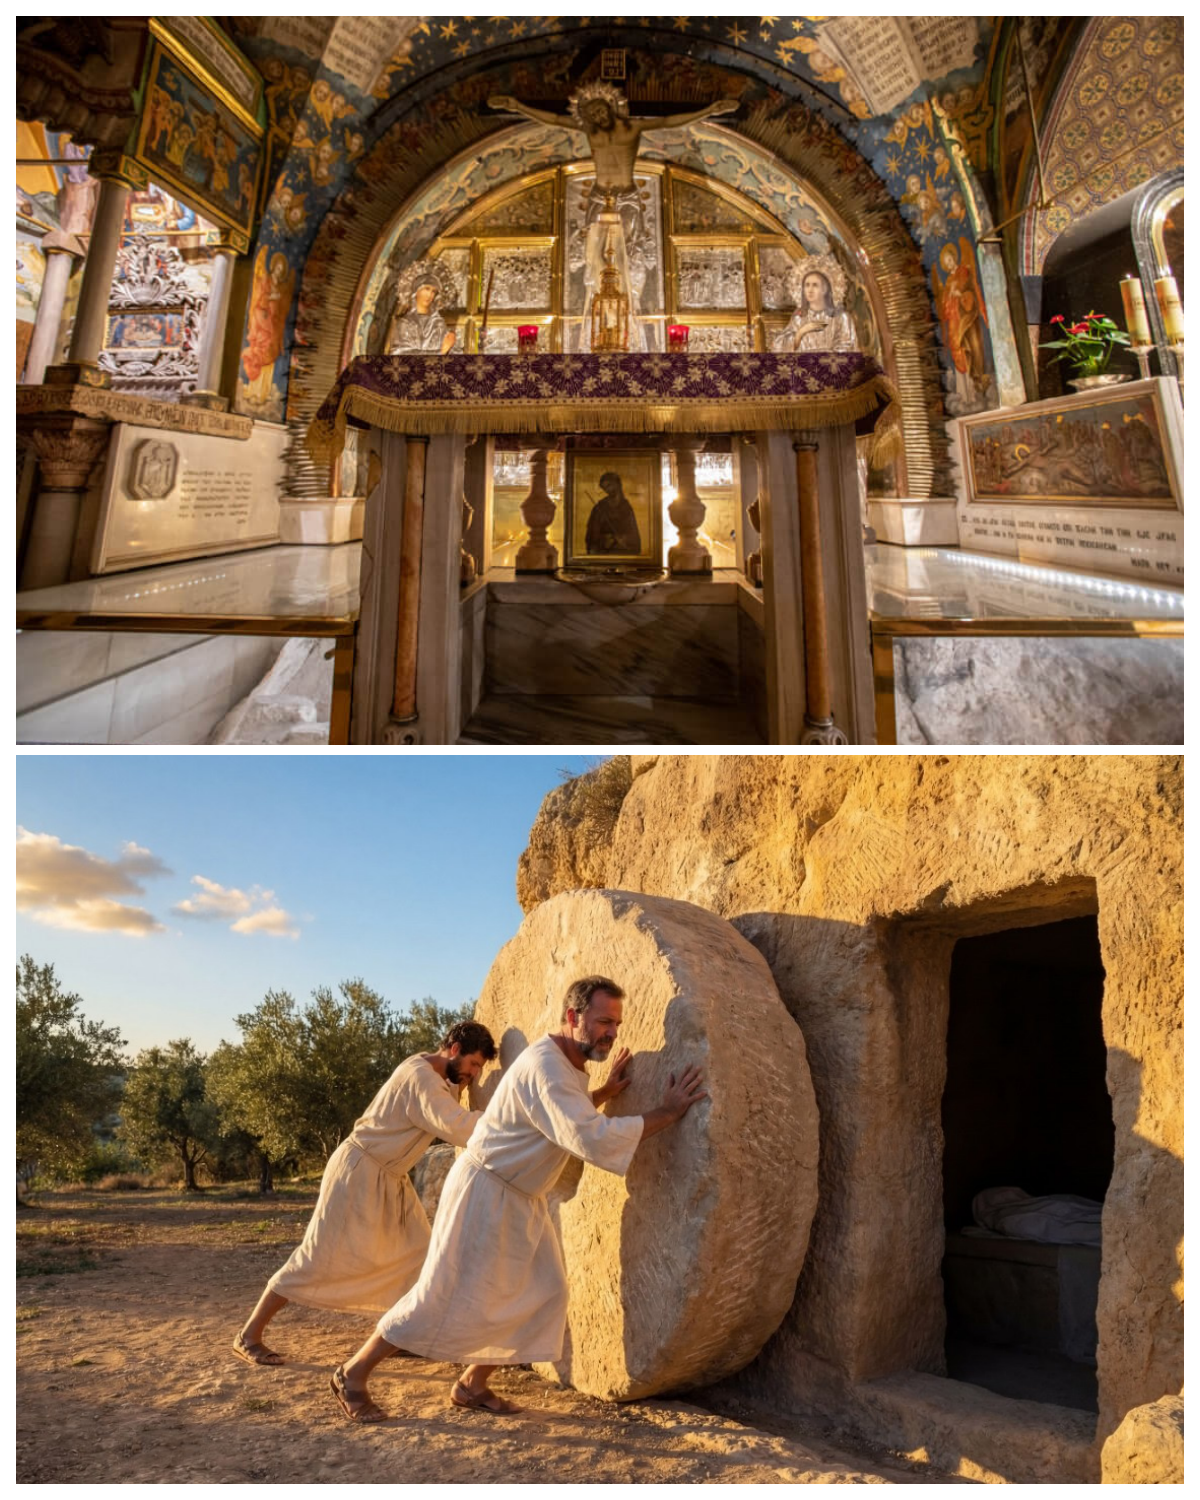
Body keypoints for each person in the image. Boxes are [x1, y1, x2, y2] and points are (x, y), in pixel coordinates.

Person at [328, 975, 707, 1421]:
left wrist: (602, 1092)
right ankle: (352, 1373)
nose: (611, 1032)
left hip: (518, 1196)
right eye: (604, 1021)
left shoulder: (564, 1065)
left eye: (616, 1024)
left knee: (544, 1292)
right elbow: (586, 1134)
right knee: (439, 1294)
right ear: (573, 1017)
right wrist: (667, 1111)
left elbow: (555, 1116)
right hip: (485, 1193)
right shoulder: (547, 1067)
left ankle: (472, 1385)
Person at [232, 1019, 497, 1366]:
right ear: (455, 1050)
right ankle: (248, 1335)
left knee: (419, 1255)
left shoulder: (433, 1073)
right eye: (474, 1064)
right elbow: (458, 1127)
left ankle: (400, 1333)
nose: (475, 1074)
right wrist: (508, 1117)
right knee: (316, 1257)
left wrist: (459, 1083)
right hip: (358, 1172)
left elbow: (447, 1107)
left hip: (389, 1178)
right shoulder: (422, 1079)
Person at [488, 83, 738, 196]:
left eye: (600, 110)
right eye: (592, 114)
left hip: (628, 193)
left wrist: (708, 111)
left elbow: (668, 121)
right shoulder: (591, 131)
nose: (597, 116)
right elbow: (553, 119)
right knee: (590, 259)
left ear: (611, 107)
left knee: (634, 255)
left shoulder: (632, 127)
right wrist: (518, 107)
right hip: (598, 193)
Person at [774, 269, 857, 353]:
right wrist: (801, 331)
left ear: (825, 289)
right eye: (807, 285)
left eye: (815, 285)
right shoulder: (798, 317)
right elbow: (779, 346)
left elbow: (847, 347)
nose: (810, 290)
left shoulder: (841, 317)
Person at [387, 279, 455, 355]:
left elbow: (451, 352)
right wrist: (439, 352)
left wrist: (452, 343)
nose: (430, 295)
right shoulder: (405, 323)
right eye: (427, 289)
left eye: (433, 291)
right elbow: (399, 353)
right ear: (416, 291)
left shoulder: (438, 323)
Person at [585, 471, 642, 555]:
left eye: (609, 485)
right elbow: (591, 537)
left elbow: (635, 538)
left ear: (618, 484)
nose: (607, 490)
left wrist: (625, 539)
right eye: (604, 488)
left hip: (623, 555)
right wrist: (605, 539)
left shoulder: (626, 507)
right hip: (604, 554)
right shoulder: (600, 508)